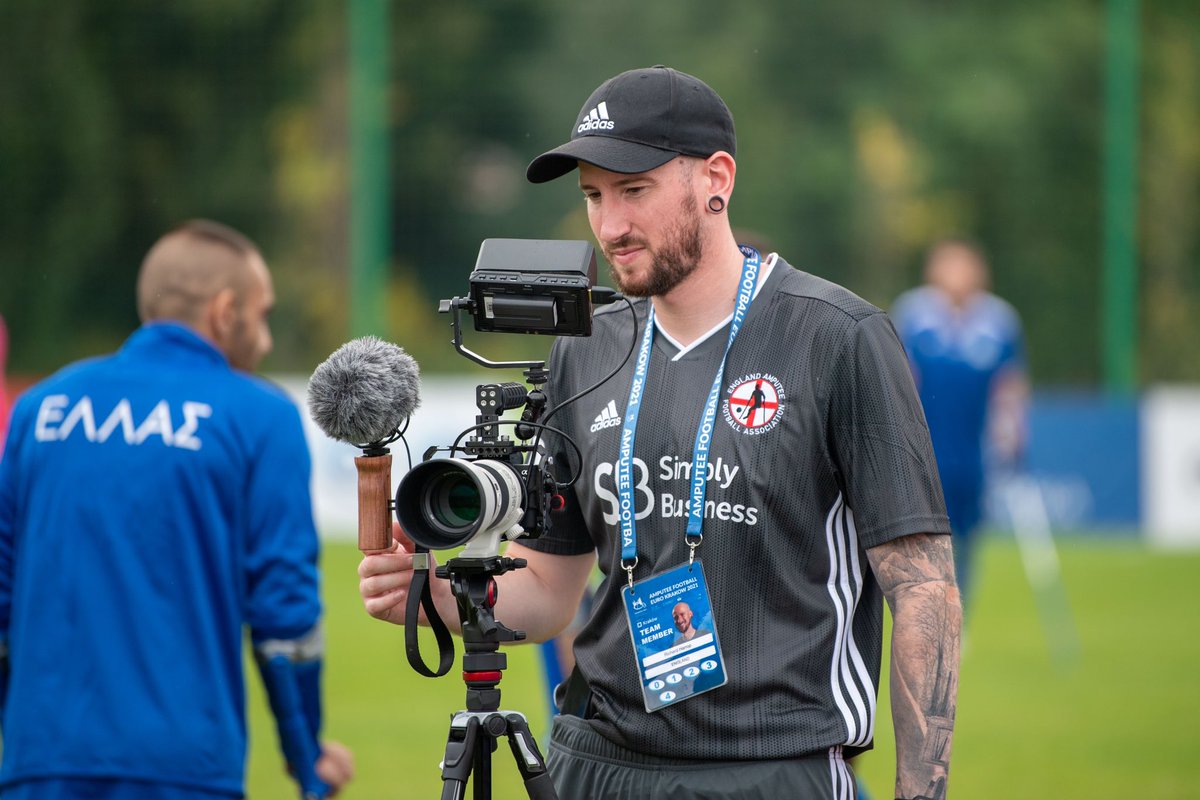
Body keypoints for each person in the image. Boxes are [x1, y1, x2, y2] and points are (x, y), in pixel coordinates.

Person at [360, 66, 960, 800]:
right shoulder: (586, 344)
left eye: (633, 190)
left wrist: (919, 792)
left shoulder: (839, 337)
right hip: (598, 760)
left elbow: (924, 589)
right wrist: (438, 600)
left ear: (716, 178)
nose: (609, 225)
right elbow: (549, 587)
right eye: (592, 196)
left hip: (769, 768)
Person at [0, 220, 354, 799]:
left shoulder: (42, 408)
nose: (264, 341)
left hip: (38, 762)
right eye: (261, 316)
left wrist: (28, 735)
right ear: (224, 311)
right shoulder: (259, 414)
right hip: (182, 766)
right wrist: (305, 753)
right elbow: (285, 618)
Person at [891, 239, 1029, 609]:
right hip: (924, 448)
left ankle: (958, 612)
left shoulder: (999, 321)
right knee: (923, 535)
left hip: (973, 451)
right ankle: (924, 607)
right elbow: (900, 379)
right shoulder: (913, 314)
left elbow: (1010, 384)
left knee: (967, 536)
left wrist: (1014, 433)